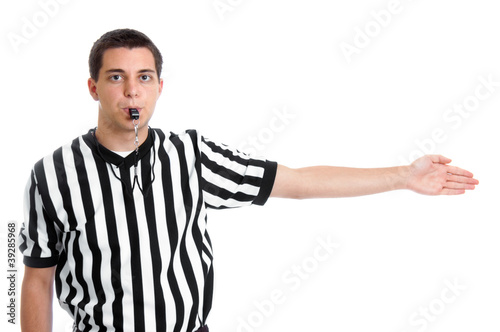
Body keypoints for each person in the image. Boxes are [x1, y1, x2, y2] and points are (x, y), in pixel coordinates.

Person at [18, 28, 479, 332]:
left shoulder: (190, 156)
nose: (132, 90)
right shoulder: (51, 174)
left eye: (145, 77)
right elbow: (36, 280)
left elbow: (297, 182)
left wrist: (403, 176)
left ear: (160, 86)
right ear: (94, 87)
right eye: (116, 77)